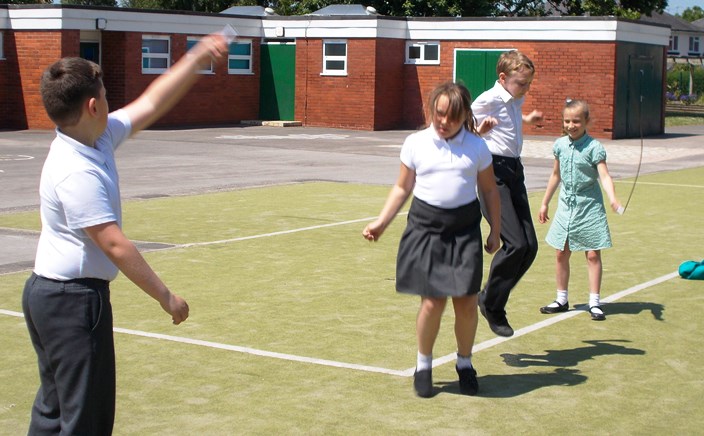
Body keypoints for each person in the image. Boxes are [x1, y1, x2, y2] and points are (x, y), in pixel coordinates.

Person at [21, 33, 229, 435]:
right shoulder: (75, 169)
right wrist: (167, 297)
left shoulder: (94, 138)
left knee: (54, 413)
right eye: (106, 96)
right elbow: (114, 243)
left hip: (52, 296)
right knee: (84, 419)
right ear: (94, 105)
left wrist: (198, 55)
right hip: (72, 302)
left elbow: (151, 102)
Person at [362, 82, 501, 398]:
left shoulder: (477, 147)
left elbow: (490, 190)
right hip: (425, 229)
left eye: (451, 117)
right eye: (438, 114)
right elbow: (402, 187)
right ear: (432, 110)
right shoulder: (415, 143)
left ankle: (464, 363)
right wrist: (381, 222)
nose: (443, 122)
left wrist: (495, 229)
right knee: (432, 301)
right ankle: (423, 365)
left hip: (465, 230)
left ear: (464, 115)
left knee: (466, 303)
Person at [471, 50, 543, 337]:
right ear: (503, 78)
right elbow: (460, 131)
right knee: (515, 244)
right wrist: (479, 130)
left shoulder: (515, 98)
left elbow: (508, 120)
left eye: (528, 84)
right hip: (493, 173)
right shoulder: (486, 100)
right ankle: (493, 306)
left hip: (515, 171)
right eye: (521, 83)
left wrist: (526, 119)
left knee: (530, 247)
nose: (526, 89)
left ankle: (490, 297)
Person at [538, 99, 621, 321]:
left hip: (590, 206)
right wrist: (545, 202)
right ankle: (561, 299)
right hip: (566, 206)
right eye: (567, 121)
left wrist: (612, 197)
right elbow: (556, 175)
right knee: (561, 252)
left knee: (593, 254)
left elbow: (604, 175)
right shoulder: (559, 145)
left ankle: (594, 302)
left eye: (576, 121)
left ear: (586, 121)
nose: (571, 125)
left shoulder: (594, 148)